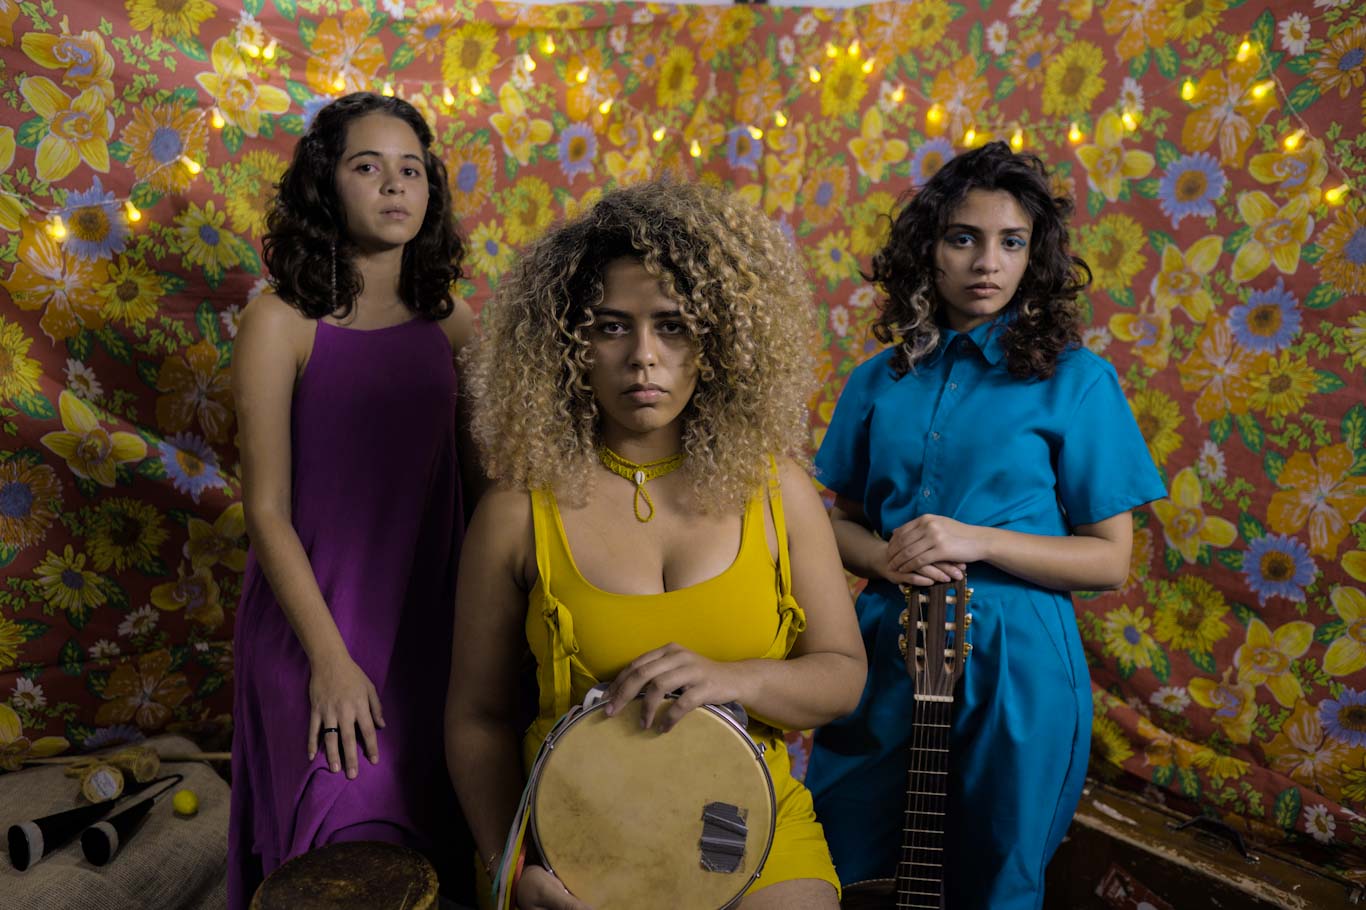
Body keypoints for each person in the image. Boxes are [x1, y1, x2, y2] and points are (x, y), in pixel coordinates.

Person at [444, 180, 866, 910]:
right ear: (569, 344)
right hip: (575, 841)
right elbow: (477, 719)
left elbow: (843, 676)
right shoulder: (515, 512)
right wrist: (510, 868)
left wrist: (734, 678)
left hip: (747, 825)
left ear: (717, 341)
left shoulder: (779, 490)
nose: (643, 357)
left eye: (672, 326)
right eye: (611, 327)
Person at [803, 141, 1166, 909]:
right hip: (885, 648)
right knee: (838, 858)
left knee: (993, 876)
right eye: (963, 238)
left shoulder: (1076, 380)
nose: (986, 263)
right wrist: (886, 558)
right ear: (927, 249)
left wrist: (979, 540)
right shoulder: (878, 379)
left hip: (1017, 663)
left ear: (1034, 257)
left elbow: (1109, 561)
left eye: (1011, 242)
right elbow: (839, 523)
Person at [229, 92, 477, 908]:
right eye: (367, 167)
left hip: (432, 632)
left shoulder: (454, 327)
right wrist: (331, 664)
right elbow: (265, 509)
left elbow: (488, 493)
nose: (394, 185)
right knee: (342, 853)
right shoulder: (280, 323)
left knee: (440, 856)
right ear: (323, 185)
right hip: (316, 630)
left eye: (412, 170)